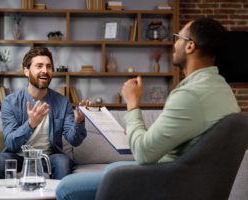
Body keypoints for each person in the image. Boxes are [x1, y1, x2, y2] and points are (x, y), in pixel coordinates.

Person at [55, 17, 240, 199]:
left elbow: (144, 154)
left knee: (66, 188)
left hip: (167, 183)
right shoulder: (222, 89)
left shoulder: (190, 94)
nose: (174, 44)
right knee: (113, 168)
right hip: (191, 180)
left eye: (178, 38)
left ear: (190, 46)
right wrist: (139, 131)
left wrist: (133, 102)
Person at [0, 47, 90, 180]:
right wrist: (30, 124)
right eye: (39, 66)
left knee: (62, 162)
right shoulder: (10, 102)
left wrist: (79, 122)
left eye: (48, 66)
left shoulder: (62, 102)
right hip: (18, 156)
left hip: (48, 156)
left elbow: (74, 140)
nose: (45, 70)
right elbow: (10, 143)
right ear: (26, 71)